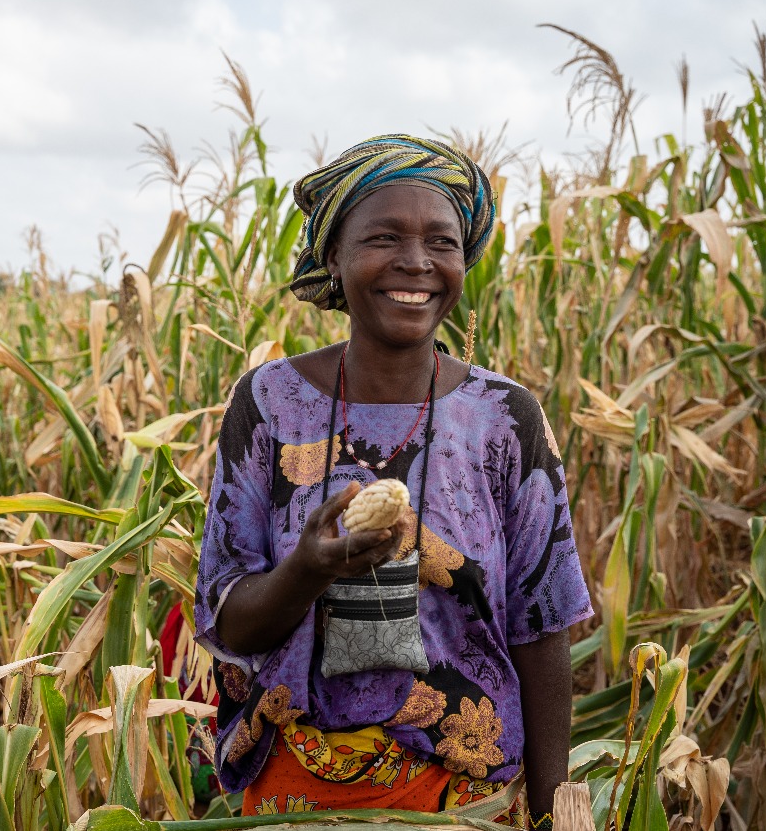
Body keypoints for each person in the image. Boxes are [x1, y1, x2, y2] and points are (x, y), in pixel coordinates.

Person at [194, 136, 592, 829]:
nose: (416, 262)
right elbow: (228, 620)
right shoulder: (269, 404)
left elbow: (541, 628)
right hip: (298, 797)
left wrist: (556, 809)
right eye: (384, 237)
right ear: (334, 257)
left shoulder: (504, 419)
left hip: (466, 799)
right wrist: (307, 571)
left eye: (441, 241)